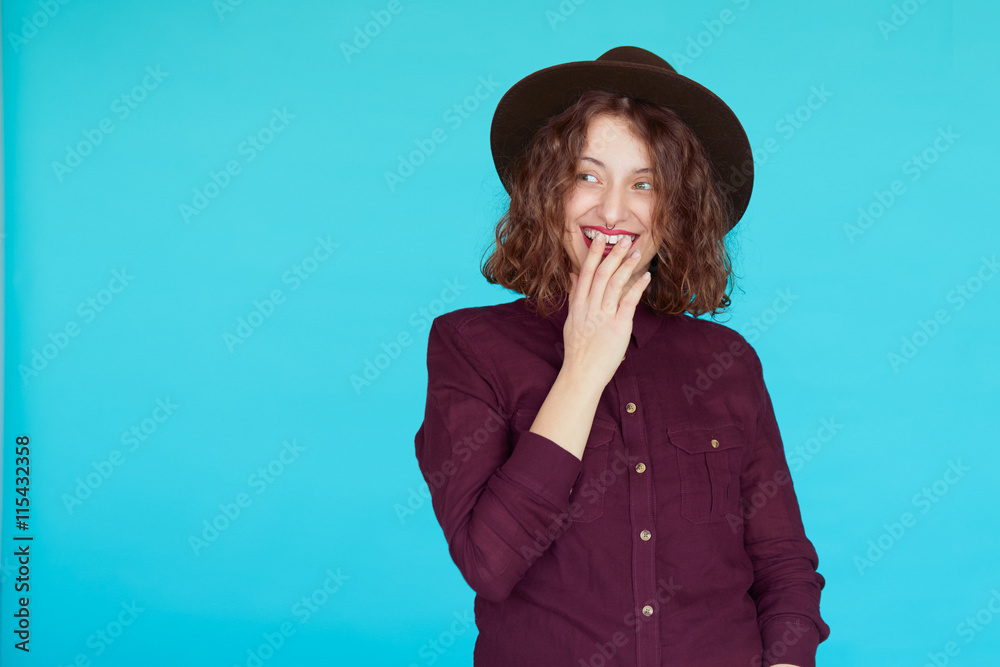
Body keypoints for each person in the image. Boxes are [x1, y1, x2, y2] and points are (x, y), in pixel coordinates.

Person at [413, 46, 830, 667]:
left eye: (645, 184)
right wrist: (583, 367)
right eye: (588, 176)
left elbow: (782, 561)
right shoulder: (470, 347)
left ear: (675, 210)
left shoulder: (728, 360)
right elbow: (488, 563)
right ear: (546, 192)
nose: (612, 211)